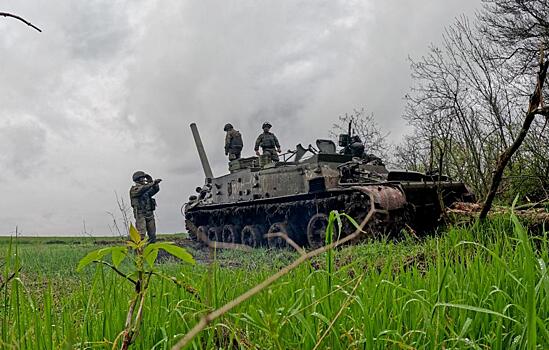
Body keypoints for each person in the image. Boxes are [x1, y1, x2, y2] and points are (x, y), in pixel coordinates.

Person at [129, 171, 162, 243]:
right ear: (137, 179)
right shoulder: (134, 190)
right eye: (142, 178)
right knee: (141, 234)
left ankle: (151, 250)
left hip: (149, 214)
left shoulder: (147, 190)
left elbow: (155, 190)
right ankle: (139, 251)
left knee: (152, 234)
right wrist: (152, 183)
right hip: (140, 214)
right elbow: (142, 189)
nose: (144, 180)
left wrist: (153, 183)